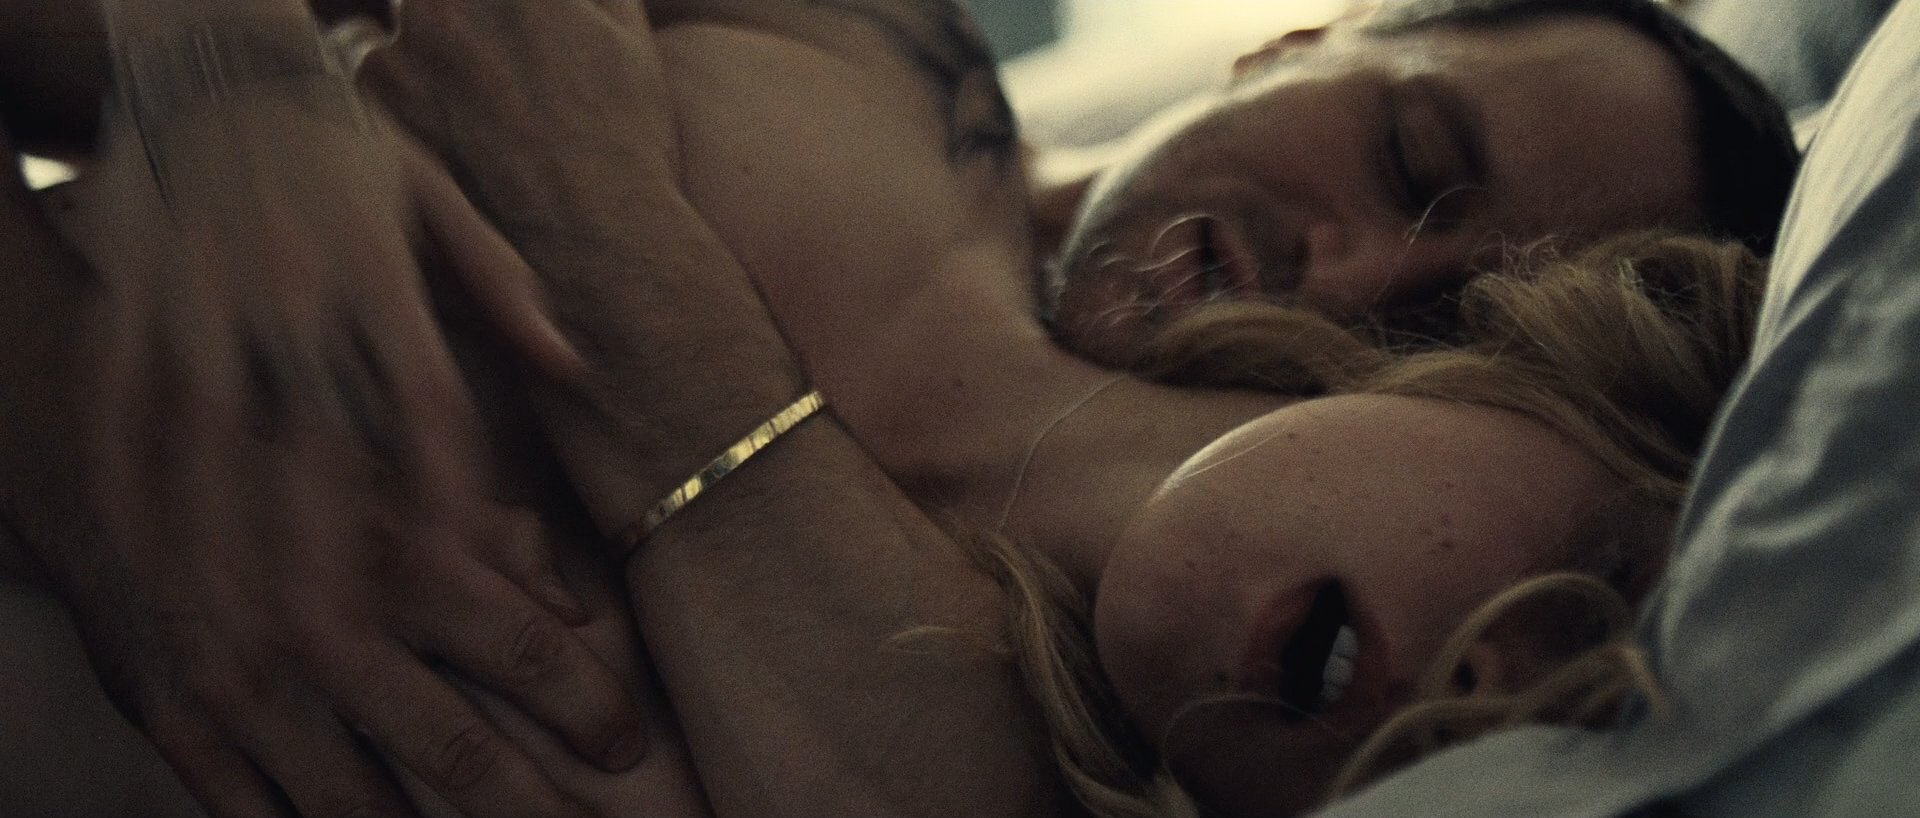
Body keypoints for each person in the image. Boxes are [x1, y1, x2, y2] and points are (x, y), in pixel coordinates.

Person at [0, 0, 1795, 815]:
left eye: (1446, 316)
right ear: (1298, 40)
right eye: (1409, 154)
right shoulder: (860, 41)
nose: (1352, 274)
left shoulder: (1127, 682)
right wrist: (212, 68)